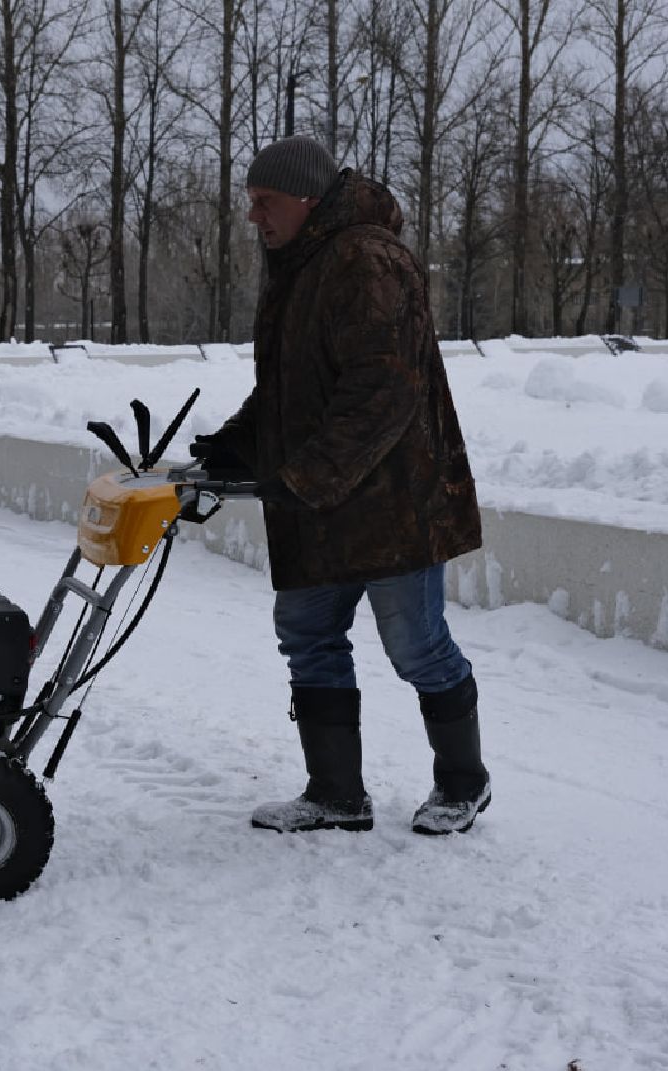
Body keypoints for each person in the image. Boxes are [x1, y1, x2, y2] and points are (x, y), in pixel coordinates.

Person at [189, 135, 489, 836]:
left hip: (390, 500)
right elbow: (293, 385)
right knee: (307, 637)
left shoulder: (366, 260)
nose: (254, 218)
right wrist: (240, 443)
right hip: (319, 498)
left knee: (416, 645)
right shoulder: (301, 264)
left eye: (264, 203)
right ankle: (333, 792)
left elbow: (383, 390)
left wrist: (307, 476)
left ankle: (462, 782)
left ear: (305, 199)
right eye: (250, 204)